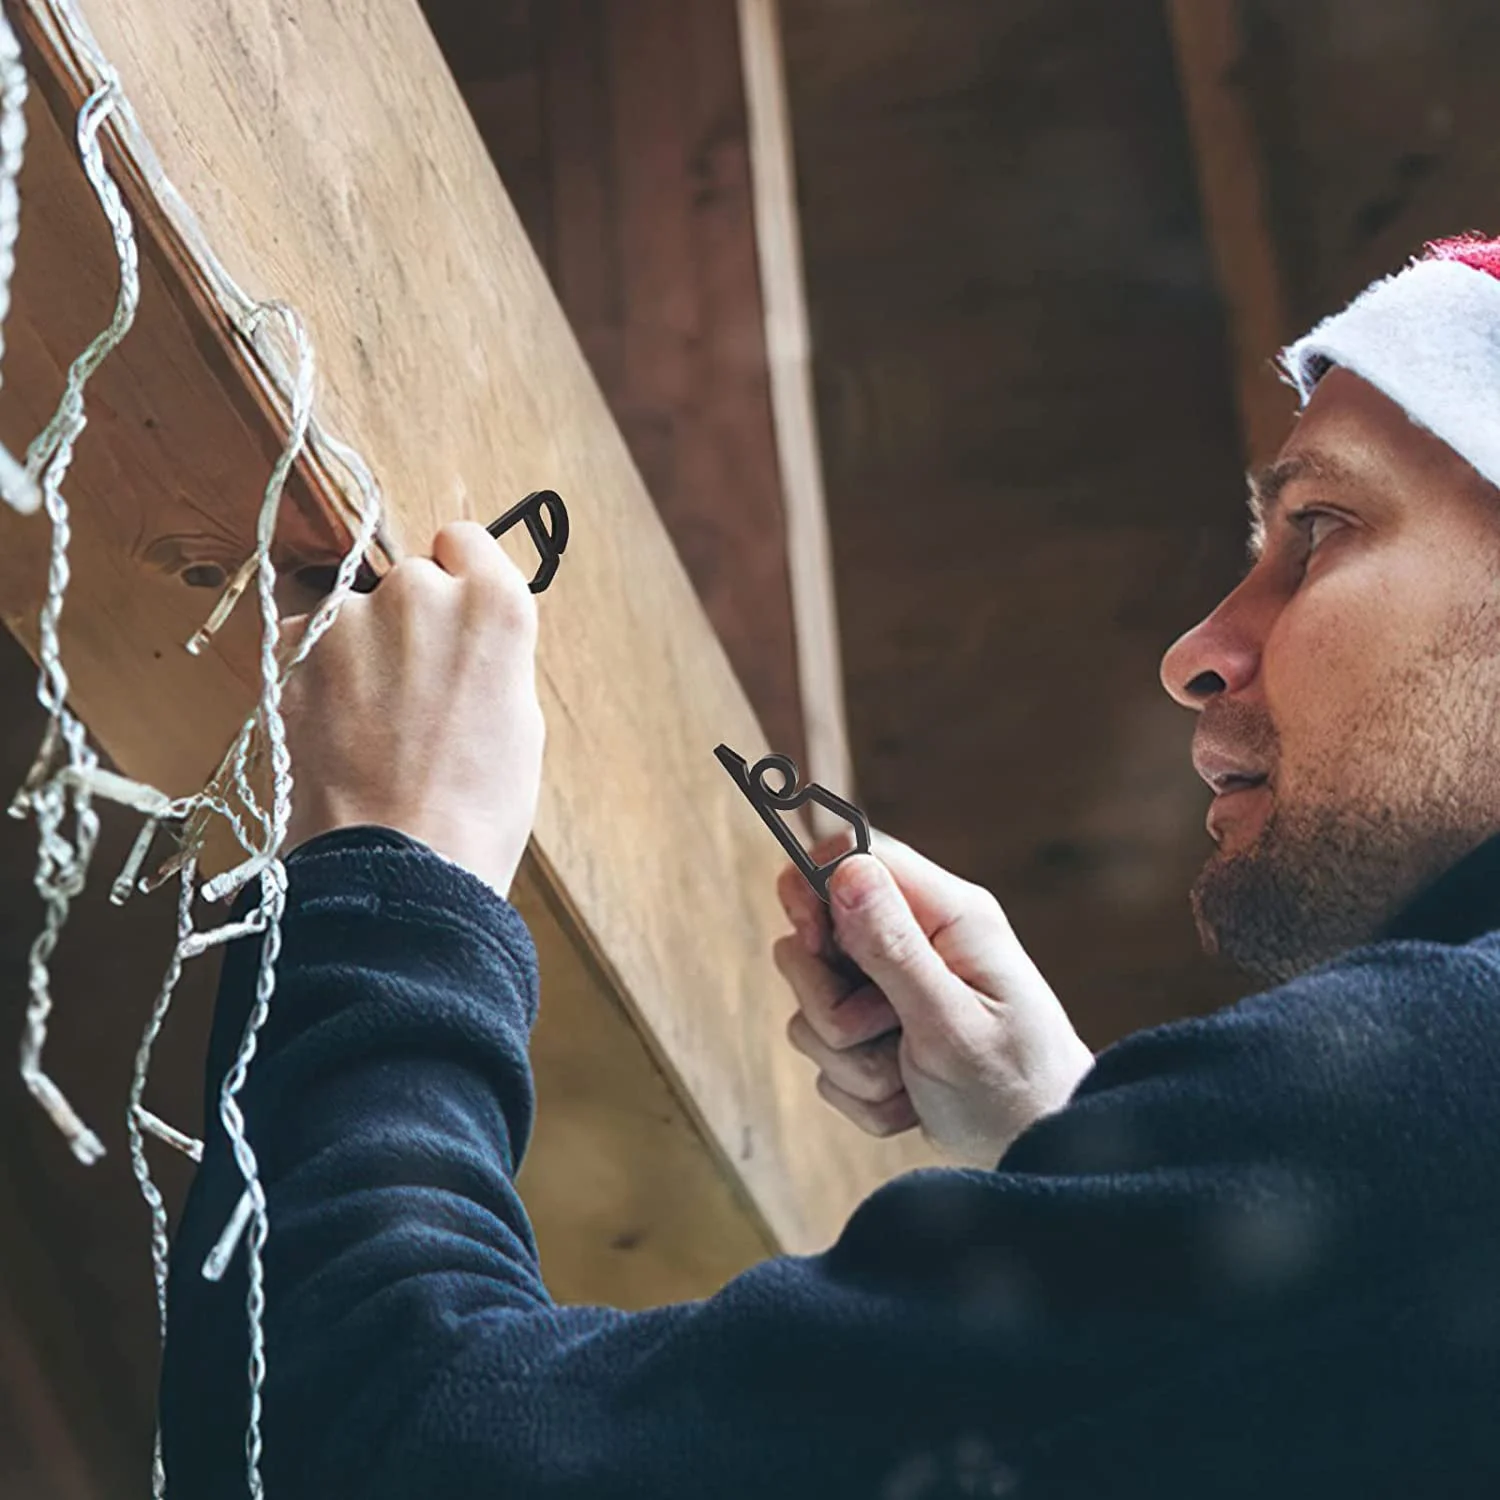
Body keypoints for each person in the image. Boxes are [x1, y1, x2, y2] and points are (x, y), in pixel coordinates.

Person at [161, 235, 1500, 1498]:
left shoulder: (1435, 1114)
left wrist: (392, 877)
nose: (1197, 649)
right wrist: (1079, 1150)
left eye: (1319, 530)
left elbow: (372, 1454)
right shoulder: (1404, 1207)